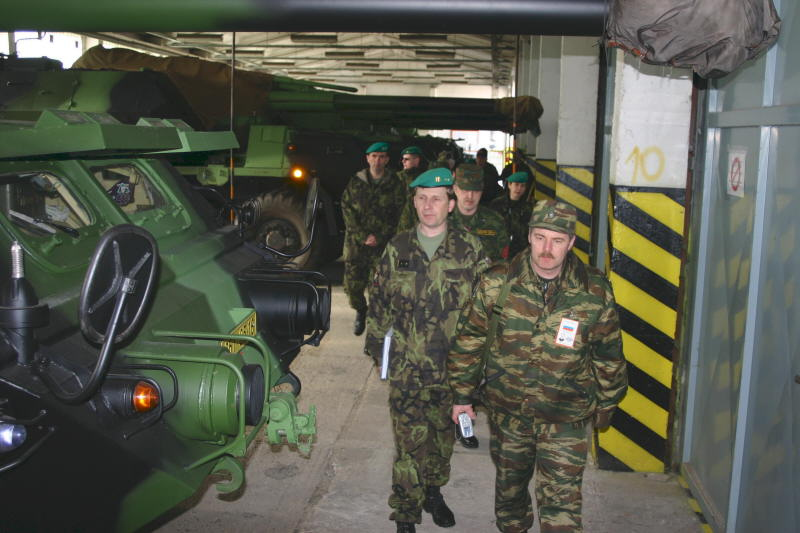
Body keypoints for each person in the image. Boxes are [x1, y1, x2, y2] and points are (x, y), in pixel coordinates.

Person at [447, 200, 628, 533]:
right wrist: (462, 396)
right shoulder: (497, 283)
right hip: (509, 412)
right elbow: (470, 340)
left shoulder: (593, 289)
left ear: (571, 243)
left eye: (557, 240)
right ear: (529, 236)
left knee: (562, 504)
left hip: (566, 415)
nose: (547, 249)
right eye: (540, 237)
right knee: (511, 495)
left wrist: (608, 401)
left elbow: (608, 351)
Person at [364, 167, 490, 533]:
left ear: (451, 204)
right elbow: (379, 302)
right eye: (421, 198)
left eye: (436, 199)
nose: (428, 205)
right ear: (414, 202)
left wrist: (480, 367)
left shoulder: (471, 250)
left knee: (442, 439)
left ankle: (433, 492)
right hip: (407, 367)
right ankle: (406, 513)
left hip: (453, 370)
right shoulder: (397, 247)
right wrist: (379, 350)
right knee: (408, 444)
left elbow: (486, 312)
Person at [341, 141, 405, 336]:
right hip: (356, 245)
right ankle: (361, 310)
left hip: (381, 245)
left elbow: (398, 213)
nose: (377, 160)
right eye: (374, 156)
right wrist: (363, 236)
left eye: (381, 157)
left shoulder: (394, 183)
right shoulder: (356, 181)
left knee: (379, 287)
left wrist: (379, 236)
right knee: (352, 287)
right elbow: (346, 209)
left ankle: (376, 325)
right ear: (367, 158)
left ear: (387, 160)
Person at [450, 163, 510, 264]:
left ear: (482, 191)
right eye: (465, 189)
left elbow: (503, 262)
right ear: (455, 189)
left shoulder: (495, 222)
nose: (470, 196)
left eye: (476, 190)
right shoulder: (442, 219)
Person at [489, 171, 533, 259]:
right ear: (509, 185)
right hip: (498, 250)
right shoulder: (496, 204)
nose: (519, 188)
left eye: (522, 186)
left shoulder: (528, 208)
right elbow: (490, 227)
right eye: (516, 185)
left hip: (520, 252)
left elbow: (529, 232)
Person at [397, 146, 426, 232]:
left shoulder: (424, 178)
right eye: (403, 159)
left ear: (416, 160)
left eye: (407, 159)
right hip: (401, 224)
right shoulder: (397, 178)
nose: (403, 161)